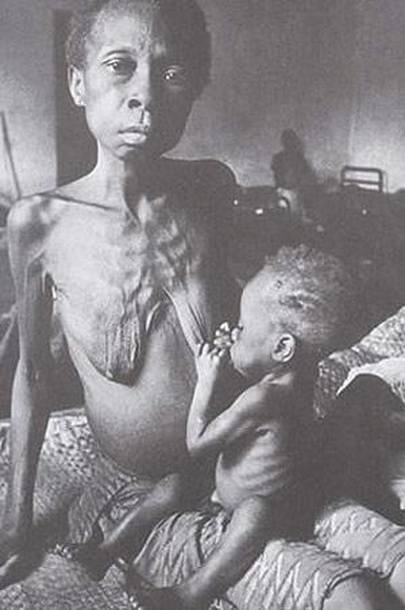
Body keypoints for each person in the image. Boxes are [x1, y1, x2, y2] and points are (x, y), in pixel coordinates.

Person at [0, 0, 237, 586]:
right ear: (78, 84)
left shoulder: (212, 188)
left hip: (243, 459)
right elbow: (32, 373)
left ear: (192, 92)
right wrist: (16, 519)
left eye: (172, 73)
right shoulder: (40, 223)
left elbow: (238, 326)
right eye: (119, 66)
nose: (145, 95)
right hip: (143, 485)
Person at [71, 245, 386, 610]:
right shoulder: (301, 375)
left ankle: (191, 592)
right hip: (227, 493)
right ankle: (103, 551)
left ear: (283, 348)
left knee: (254, 512)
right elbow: (258, 381)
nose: (233, 331)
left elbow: (197, 445)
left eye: (241, 326)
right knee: (176, 485)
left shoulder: (263, 398)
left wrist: (206, 381)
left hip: (271, 509)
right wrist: (240, 350)